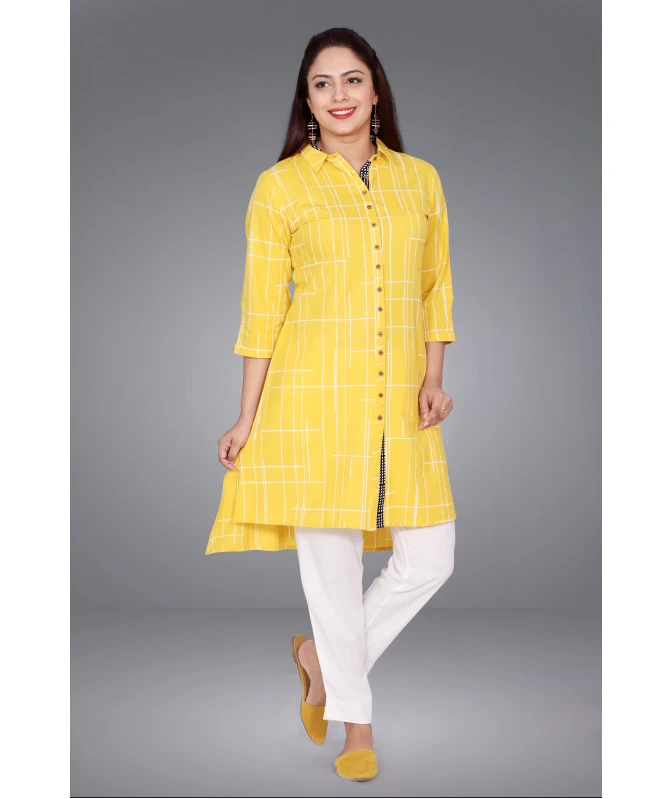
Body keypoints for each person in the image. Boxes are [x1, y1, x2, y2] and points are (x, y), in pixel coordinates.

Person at [205, 28, 457, 782]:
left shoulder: (420, 180)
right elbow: (261, 313)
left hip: (400, 403)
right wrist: (246, 415)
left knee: (431, 557)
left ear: (376, 90)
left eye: (352, 80)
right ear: (307, 100)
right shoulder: (279, 186)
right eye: (323, 84)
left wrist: (434, 376)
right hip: (308, 403)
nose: (339, 95)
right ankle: (357, 728)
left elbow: (435, 289)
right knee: (333, 575)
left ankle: (320, 659)